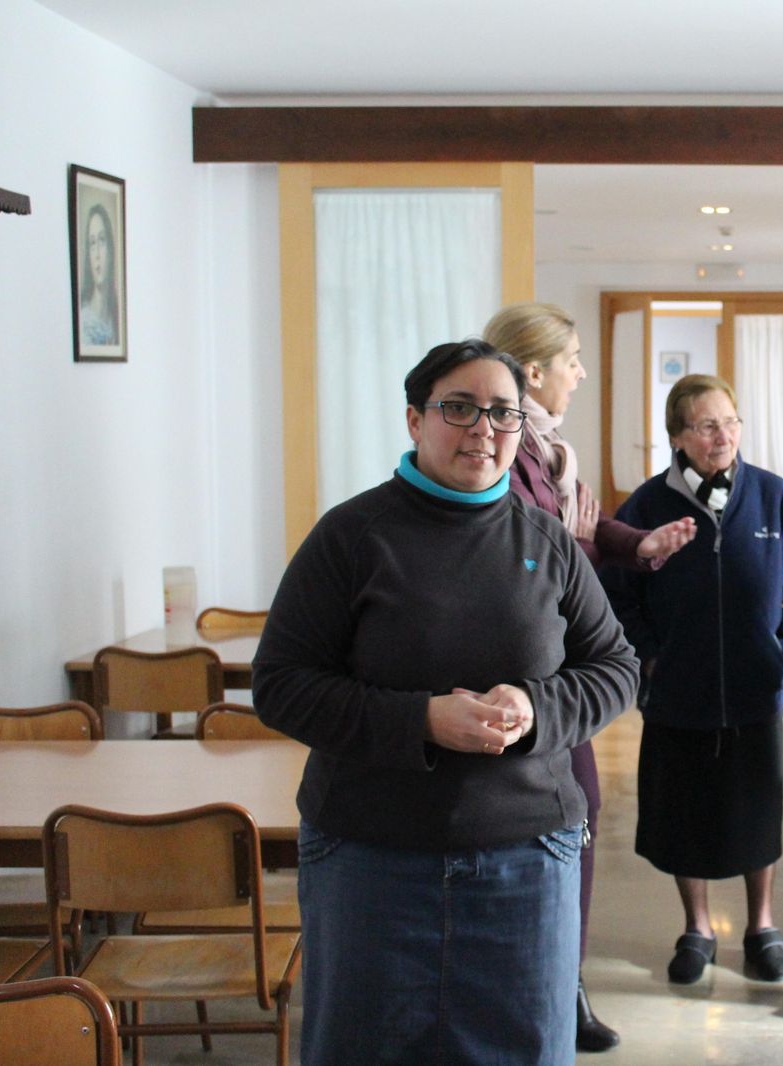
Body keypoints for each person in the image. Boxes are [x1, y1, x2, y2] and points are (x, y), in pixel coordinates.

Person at [253, 339, 640, 1066]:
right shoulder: (353, 535)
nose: (483, 430)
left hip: (526, 859)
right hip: (370, 856)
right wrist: (422, 720)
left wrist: (535, 711)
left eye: (502, 414)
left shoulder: (546, 542)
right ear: (414, 420)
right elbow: (280, 683)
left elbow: (616, 667)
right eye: (458, 408)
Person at [482, 300, 695, 1052]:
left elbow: (581, 530)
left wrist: (639, 546)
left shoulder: (547, 453)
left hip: (557, 666)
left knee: (576, 815)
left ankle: (559, 983)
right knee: (561, 818)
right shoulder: (504, 453)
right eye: (571, 361)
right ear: (532, 371)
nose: (578, 373)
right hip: (528, 667)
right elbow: (547, 550)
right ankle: (545, 987)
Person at [604, 374, 783, 988]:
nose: (723, 435)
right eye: (706, 425)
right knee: (683, 816)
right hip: (677, 694)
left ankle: (761, 927)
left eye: (730, 421)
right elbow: (619, 597)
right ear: (678, 437)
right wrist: (651, 657)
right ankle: (696, 928)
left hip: (754, 690)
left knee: (757, 813)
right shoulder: (643, 507)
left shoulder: (775, 498)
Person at [79, 203, 118, 346]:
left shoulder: (115, 319)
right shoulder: (83, 319)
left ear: (111, 248)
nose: (97, 255)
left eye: (102, 240)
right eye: (92, 243)